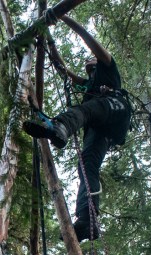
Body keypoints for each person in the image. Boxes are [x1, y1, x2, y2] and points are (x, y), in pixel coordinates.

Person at [24, 14, 132, 242]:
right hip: (102, 130)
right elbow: (62, 69)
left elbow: (87, 37)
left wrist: (62, 16)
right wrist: (49, 40)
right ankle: (87, 220)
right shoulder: (88, 84)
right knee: (87, 167)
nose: (88, 62)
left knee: (85, 110)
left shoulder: (108, 68)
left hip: (114, 109)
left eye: (90, 60)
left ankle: (59, 127)